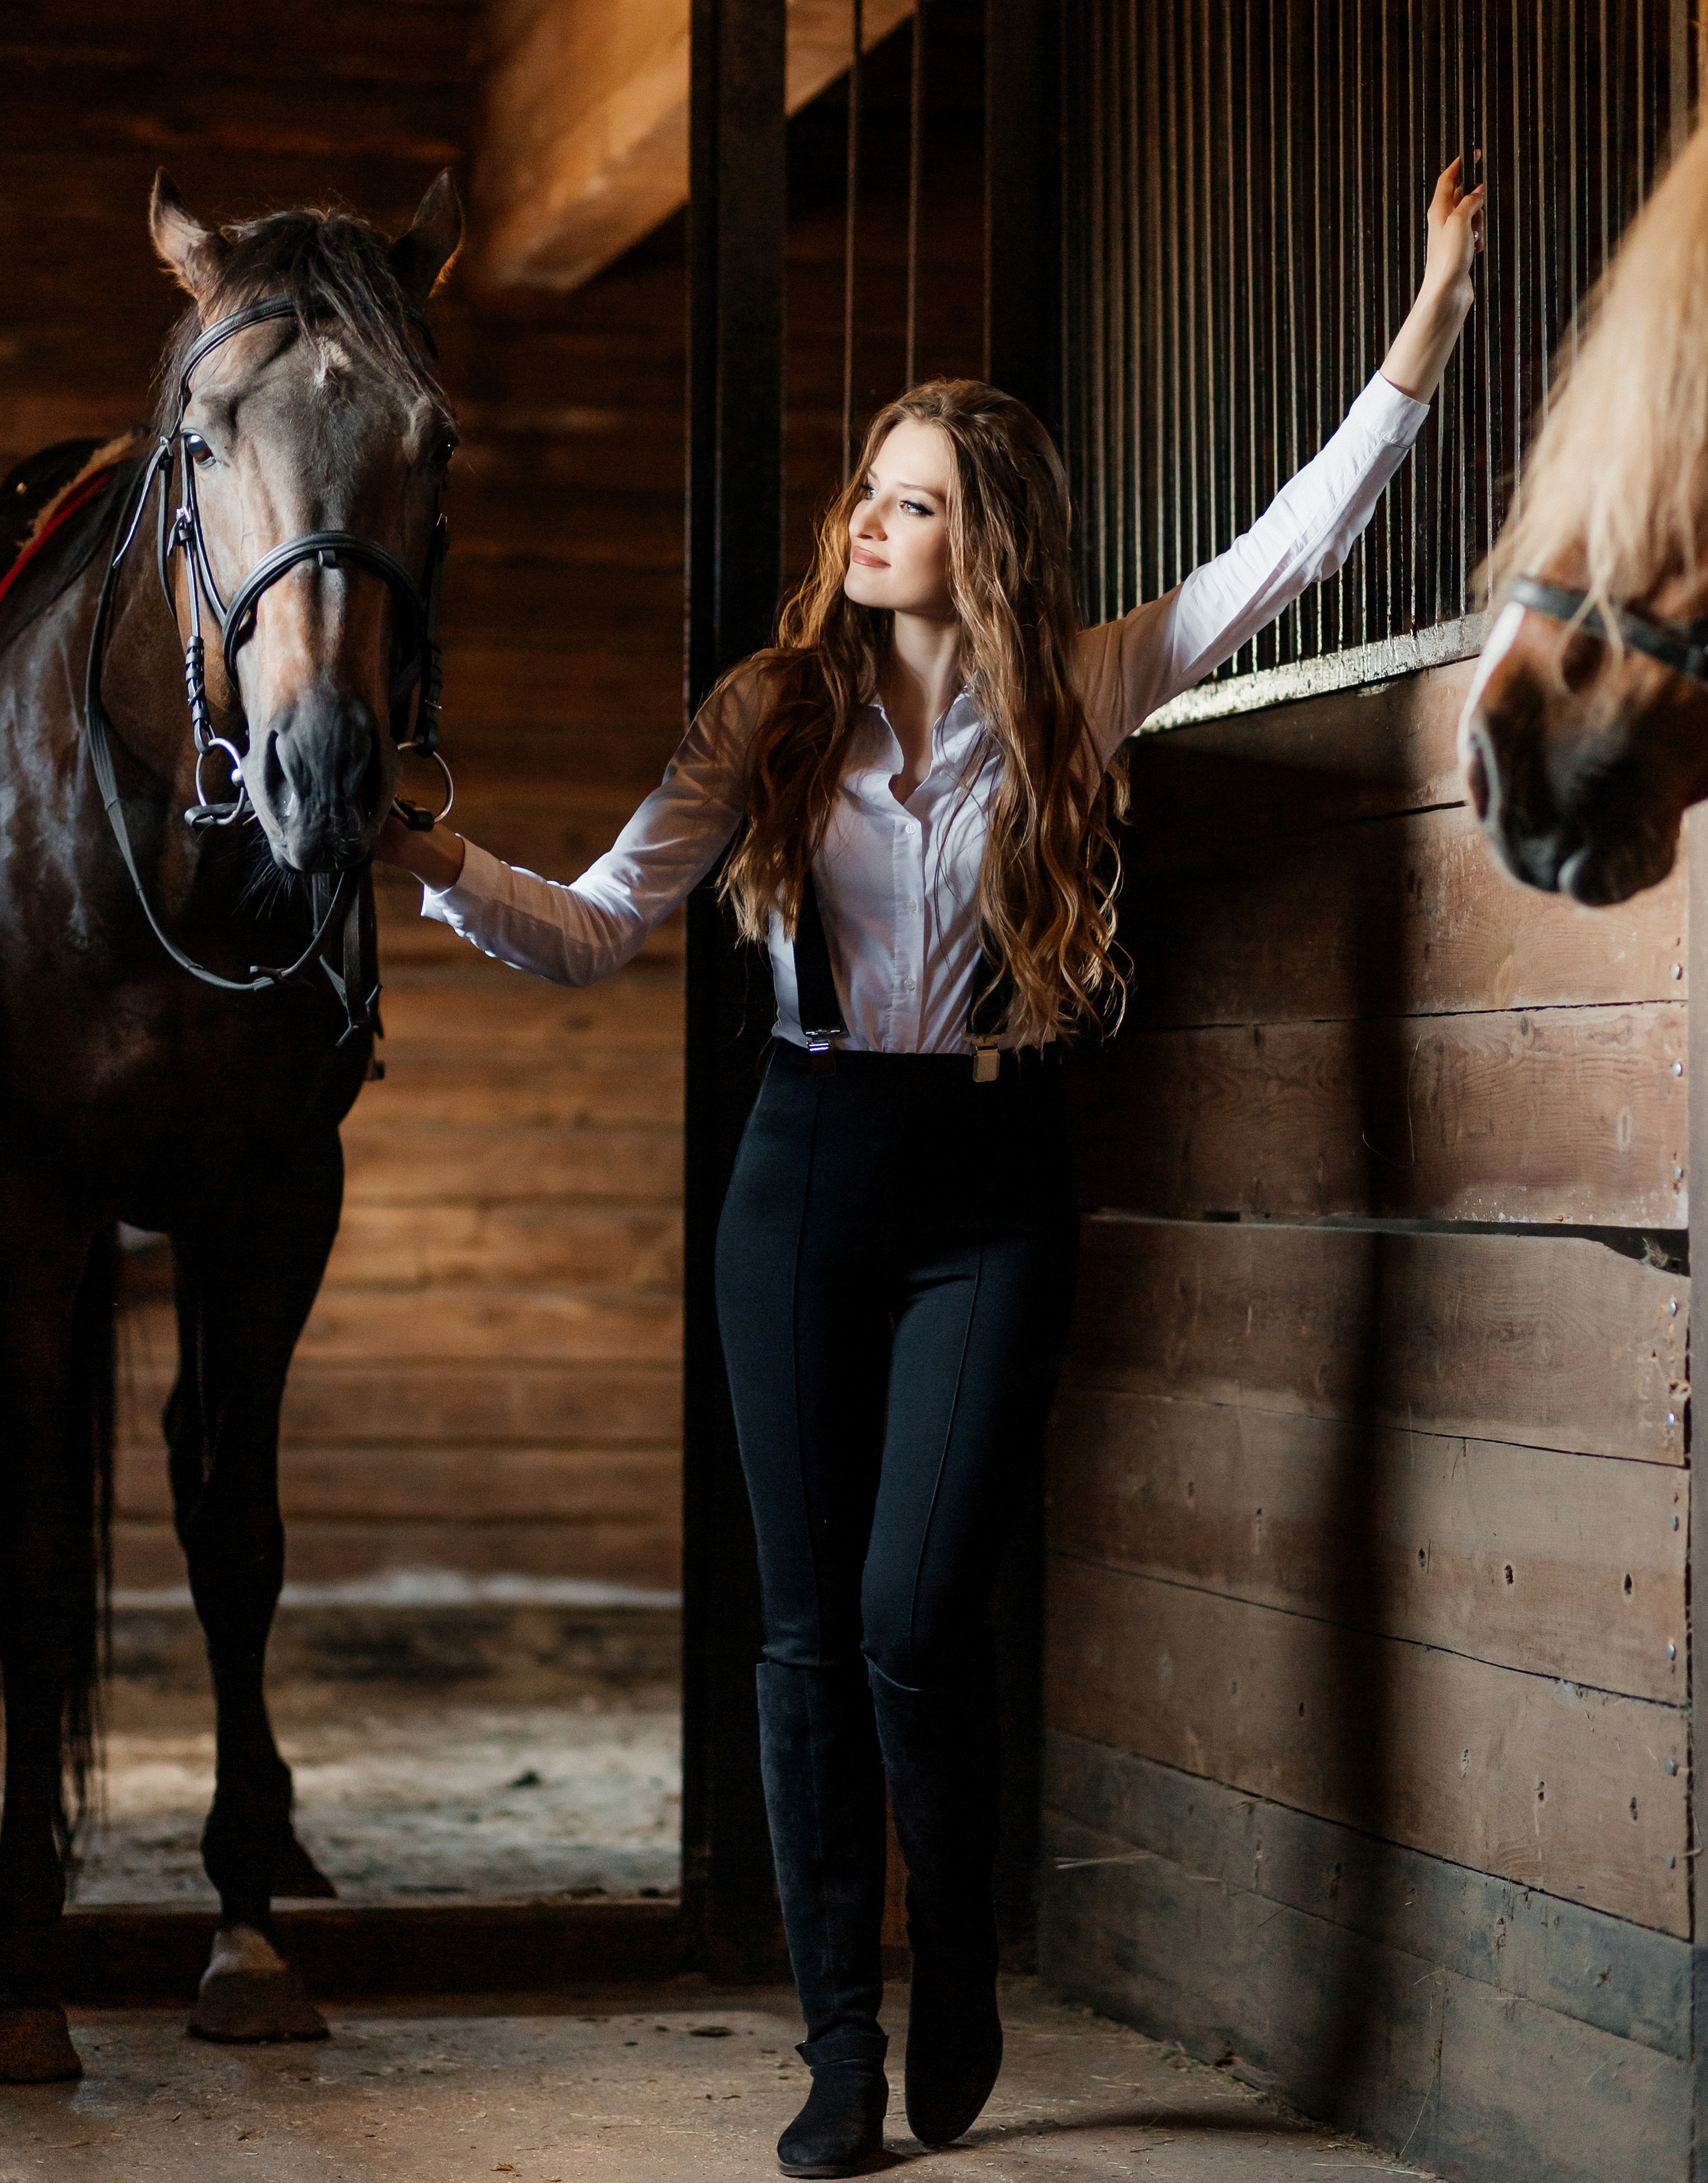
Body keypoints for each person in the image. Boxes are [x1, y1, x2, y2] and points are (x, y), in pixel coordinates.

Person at [378, 155, 1484, 2179]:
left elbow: (1290, 555)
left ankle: (955, 1952)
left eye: (910, 497)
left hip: (990, 1179)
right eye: (865, 491)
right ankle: (835, 2051)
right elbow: (604, 921)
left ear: (981, 538)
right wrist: (443, 864)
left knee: (910, 1615)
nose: (866, 521)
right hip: (803, 1175)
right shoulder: (770, 715)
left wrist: (1432, 312)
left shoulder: (1076, 691)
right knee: (806, 1635)